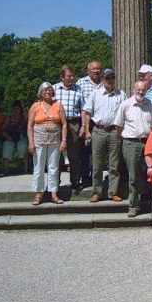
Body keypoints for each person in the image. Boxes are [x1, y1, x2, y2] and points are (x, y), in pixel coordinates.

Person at [82, 68, 126, 203]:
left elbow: (126, 113)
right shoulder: (95, 94)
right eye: (107, 78)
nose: (110, 80)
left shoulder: (121, 94)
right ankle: (97, 192)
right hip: (98, 131)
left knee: (114, 164)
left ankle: (113, 192)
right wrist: (87, 131)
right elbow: (87, 112)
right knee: (97, 164)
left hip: (114, 131)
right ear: (103, 79)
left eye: (112, 77)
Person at [114, 81, 152, 217]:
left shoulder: (150, 104)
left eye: (143, 89)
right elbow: (118, 126)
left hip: (148, 142)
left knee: (150, 174)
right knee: (133, 176)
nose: (140, 92)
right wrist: (126, 140)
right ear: (133, 89)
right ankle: (133, 205)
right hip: (131, 143)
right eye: (138, 89)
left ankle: (151, 203)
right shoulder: (126, 104)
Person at [27, 82, 67, 205]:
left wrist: (64, 141)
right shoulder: (35, 106)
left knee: (53, 167)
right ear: (41, 93)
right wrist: (31, 142)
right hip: (39, 139)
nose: (48, 92)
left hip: (55, 139)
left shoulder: (58, 105)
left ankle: (54, 193)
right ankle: (38, 194)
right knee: (39, 166)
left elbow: (64, 124)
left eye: (50, 90)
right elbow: (30, 125)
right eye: (45, 90)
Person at [54, 65, 84, 194]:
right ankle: (54, 183)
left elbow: (83, 109)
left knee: (74, 155)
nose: (72, 78)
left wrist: (83, 126)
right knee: (56, 155)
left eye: (73, 76)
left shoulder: (78, 89)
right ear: (62, 77)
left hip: (73, 123)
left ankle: (75, 182)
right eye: (69, 76)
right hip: (57, 124)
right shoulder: (54, 88)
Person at [77, 60, 102, 189]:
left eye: (98, 69)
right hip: (85, 121)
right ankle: (85, 178)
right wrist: (82, 125)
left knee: (96, 152)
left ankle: (95, 178)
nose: (96, 71)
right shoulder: (80, 83)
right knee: (84, 152)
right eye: (93, 69)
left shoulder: (104, 83)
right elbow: (78, 105)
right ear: (88, 70)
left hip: (98, 122)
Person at [2, 100, 28, 170]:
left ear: (20, 110)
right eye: (14, 108)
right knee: (7, 145)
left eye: (18, 109)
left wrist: (23, 106)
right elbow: (3, 130)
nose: (16, 110)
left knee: (22, 146)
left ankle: (25, 168)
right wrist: (8, 137)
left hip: (21, 137)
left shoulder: (24, 117)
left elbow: (27, 115)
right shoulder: (9, 118)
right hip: (10, 137)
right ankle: (5, 169)